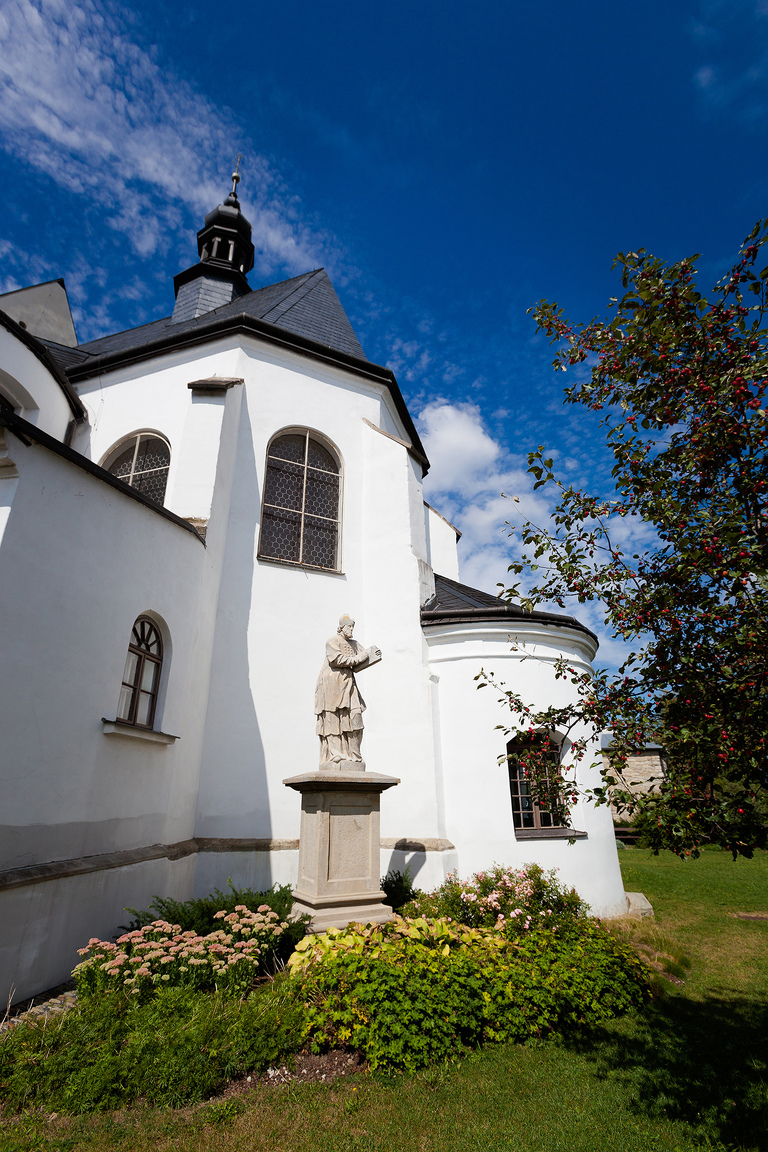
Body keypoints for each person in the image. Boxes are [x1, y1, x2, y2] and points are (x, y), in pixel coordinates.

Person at [315, 615, 381, 767]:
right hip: (331, 683)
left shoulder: (354, 643)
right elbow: (337, 660)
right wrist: (360, 658)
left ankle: (354, 754)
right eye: (349, 627)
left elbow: (363, 657)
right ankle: (336, 754)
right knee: (333, 718)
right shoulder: (332, 641)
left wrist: (373, 655)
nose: (351, 629)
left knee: (355, 716)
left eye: (352, 627)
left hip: (348, 683)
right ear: (341, 627)